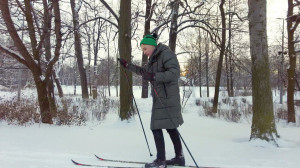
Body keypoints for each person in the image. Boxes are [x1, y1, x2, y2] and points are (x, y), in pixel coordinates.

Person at [118, 34, 184, 168]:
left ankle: (161, 161)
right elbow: (144, 72)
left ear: (152, 46)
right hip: (162, 98)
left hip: (168, 98)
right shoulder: (153, 59)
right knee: (171, 127)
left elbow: (175, 73)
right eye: (143, 49)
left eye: (145, 48)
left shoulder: (166, 54)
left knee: (156, 127)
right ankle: (179, 158)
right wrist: (128, 65)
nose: (144, 52)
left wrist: (154, 76)